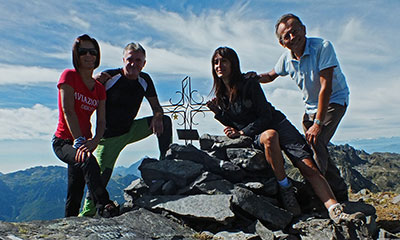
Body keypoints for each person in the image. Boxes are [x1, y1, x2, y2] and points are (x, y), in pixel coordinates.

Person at [207, 46, 363, 223]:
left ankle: (335, 209)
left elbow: (265, 115)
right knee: (270, 136)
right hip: (261, 133)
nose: (219, 65)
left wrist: (242, 132)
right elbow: (235, 121)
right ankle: (286, 189)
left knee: (308, 165)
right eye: (216, 62)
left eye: (223, 61)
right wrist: (219, 115)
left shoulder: (249, 83)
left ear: (233, 63)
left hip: (277, 123)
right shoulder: (221, 95)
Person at [257, 14, 350, 202]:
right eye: (286, 36)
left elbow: (326, 88)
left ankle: (317, 194)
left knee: (317, 140)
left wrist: (317, 123)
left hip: (334, 101)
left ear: (304, 30)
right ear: (282, 43)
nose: (292, 37)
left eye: (295, 31)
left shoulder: (322, 47)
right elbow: (270, 75)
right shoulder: (287, 59)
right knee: (315, 146)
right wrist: (249, 78)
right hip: (310, 108)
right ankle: (337, 190)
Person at [79, 42, 172, 217]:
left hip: (131, 129)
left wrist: (158, 116)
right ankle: (87, 215)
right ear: (123, 60)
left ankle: (165, 162)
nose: (133, 64)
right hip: (109, 138)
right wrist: (94, 83)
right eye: (130, 59)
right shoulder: (110, 77)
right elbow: (84, 98)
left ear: (144, 63)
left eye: (138, 60)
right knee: (100, 178)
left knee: (165, 122)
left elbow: (157, 108)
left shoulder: (145, 80)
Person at [52, 34, 118, 218]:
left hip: (84, 142)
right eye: (83, 52)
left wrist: (95, 141)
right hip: (64, 141)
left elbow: (102, 120)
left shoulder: (98, 88)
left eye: (93, 52)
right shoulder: (69, 76)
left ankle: (68, 228)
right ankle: (105, 206)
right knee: (88, 161)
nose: (88, 55)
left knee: (75, 192)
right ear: (76, 55)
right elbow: (68, 110)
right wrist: (80, 142)